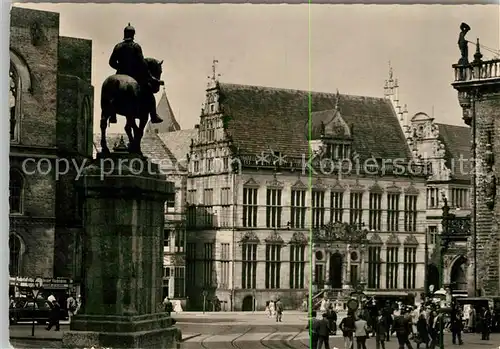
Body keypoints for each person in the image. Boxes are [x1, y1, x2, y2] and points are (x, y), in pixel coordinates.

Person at [108, 23, 163, 124]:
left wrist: (120, 68)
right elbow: (142, 64)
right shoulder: (136, 46)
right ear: (133, 35)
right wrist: (151, 77)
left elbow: (111, 62)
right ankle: (154, 116)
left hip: (119, 73)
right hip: (134, 75)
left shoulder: (118, 46)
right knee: (149, 94)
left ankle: (112, 115)